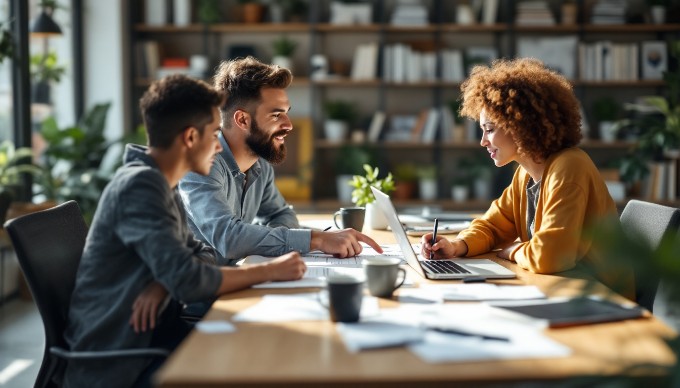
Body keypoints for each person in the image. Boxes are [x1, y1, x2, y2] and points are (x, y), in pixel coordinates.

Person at [63, 74, 306, 388]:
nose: (220, 148)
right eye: (215, 134)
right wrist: (270, 271)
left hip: (156, 337)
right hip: (123, 361)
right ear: (191, 138)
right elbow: (190, 280)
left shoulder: (159, 181)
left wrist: (166, 281)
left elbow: (199, 255)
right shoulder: (141, 185)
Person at [420, 58, 633, 299]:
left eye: (489, 129)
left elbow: (550, 257)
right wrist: (457, 246)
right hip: (560, 289)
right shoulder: (525, 173)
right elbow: (492, 226)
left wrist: (513, 251)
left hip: (601, 297)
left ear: (519, 125)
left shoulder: (569, 166)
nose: (482, 141)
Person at [178, 56, 382, 264]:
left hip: (238, 278)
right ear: (242, 120)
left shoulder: (259, 163)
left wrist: (270, 240)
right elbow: (228, 238)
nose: (289, 125)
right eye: (276, 115)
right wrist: (316, 239)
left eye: (286, 113)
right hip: (197, 291)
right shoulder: (200, 163)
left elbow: (281, 214)